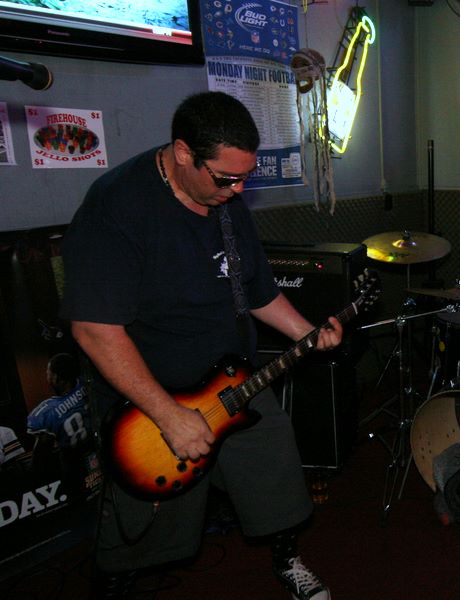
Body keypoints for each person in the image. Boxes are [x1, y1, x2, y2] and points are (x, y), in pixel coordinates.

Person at [60, 91, 342, 600]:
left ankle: (287, 561)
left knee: (277, 482)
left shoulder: (225, 203)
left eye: (245, 177)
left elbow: (257, 291)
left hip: (236, 377)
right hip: (152, 398)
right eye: (226, 178)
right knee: (140, 528)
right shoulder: (117, 206)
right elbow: (95, 330)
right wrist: (168, 416)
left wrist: (306, 332)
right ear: (183, 153)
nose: (238, 190)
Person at [26, 353, 94, 495]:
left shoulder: (46, 412)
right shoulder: (87, 385)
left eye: (48, 373)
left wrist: (30, 477)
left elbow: (41, 454)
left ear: (57, 378)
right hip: (96, 452)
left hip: (73, 467)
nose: (47, 376)